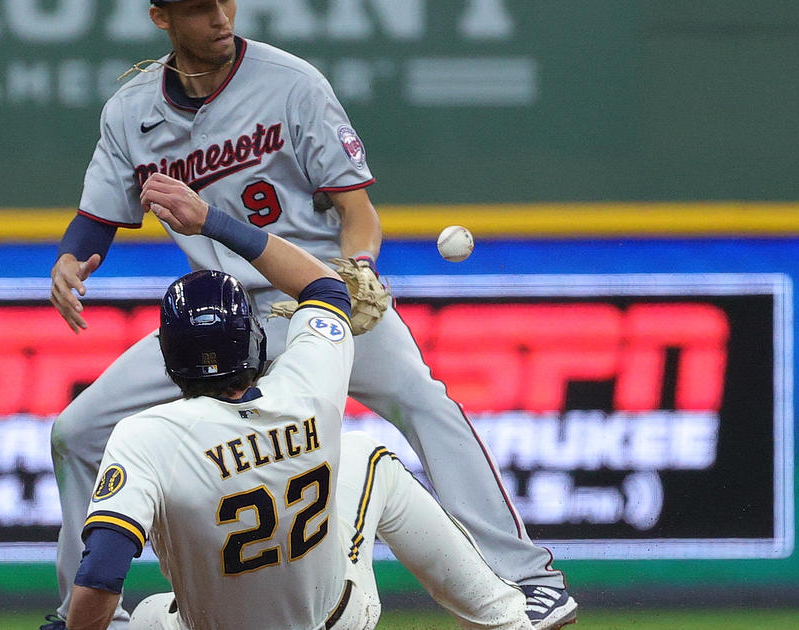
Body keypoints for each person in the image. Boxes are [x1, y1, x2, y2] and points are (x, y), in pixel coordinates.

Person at [47, 1, 575, 628]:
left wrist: (360, 269)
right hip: (225, 317)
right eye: (198, 7)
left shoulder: (292, 84)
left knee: (424, 402)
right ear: (161, 17)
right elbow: (98, 218)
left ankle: (529, 579)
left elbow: (359, 214)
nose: (219, 17)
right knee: (76, 432)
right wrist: (72, 259)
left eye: (224, 1)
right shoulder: (132, 111)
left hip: (318, 302)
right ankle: (83, 615)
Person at [63, 174, 531, 630]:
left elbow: (102, 574)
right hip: (333, 621)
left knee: (146, 615)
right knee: (367, 455)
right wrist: (211, 220)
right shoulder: (307, 383)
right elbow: (325, 287)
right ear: (254, 341)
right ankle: (506, 620)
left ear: (168, 360)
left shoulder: (146, 437)